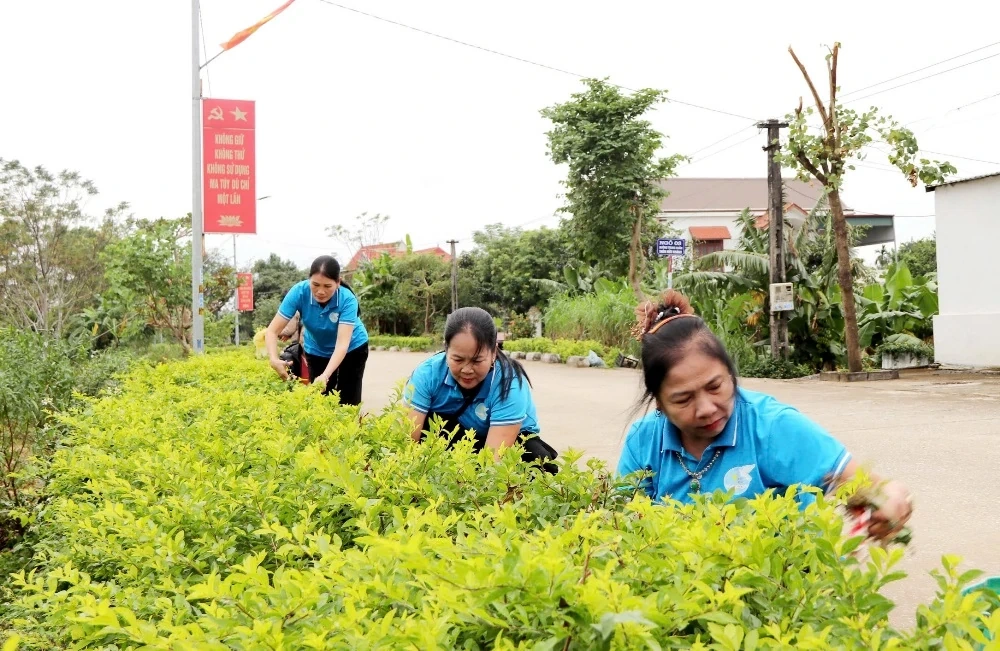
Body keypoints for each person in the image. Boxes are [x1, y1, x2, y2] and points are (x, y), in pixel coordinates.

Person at [617, 289, 912, 541]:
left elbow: (865, 485)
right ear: (659, 403)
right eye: (683, 399)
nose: (706, 408)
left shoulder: (773, 426)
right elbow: (623, 528)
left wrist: (891, 496)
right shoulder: (643, 441)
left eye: (715, 386)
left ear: (731, 375)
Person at [402, 307, 557, 471]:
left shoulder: (509, 385)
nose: (467, 369)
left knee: (533, 464)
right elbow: (407, 443)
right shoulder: (427, 374)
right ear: (446, 349)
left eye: (477, 361)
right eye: (458, 359)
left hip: (508, 439)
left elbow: (492, 463)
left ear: (493, 353)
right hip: (460, 436)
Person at [265, 255, 369, 405]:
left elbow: (342, 344)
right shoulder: (299, 292)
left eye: (327, 286)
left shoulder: (347, 299)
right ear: (309, 280)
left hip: (352, 348)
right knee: (321, 398)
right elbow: (272, 331)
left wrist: (326, 375)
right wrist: (274, 359)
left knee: (348, 401)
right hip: (317, 349)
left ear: (338, 283)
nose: (320, 291)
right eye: (315, 284)